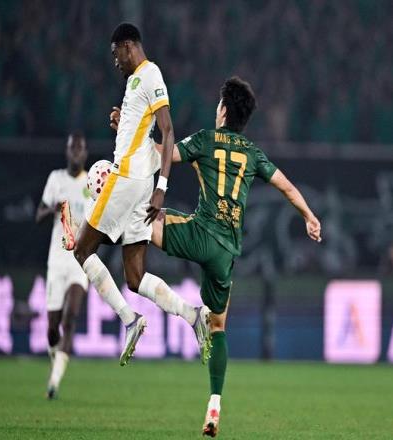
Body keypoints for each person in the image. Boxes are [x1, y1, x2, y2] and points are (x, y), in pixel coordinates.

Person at [110, 76, 322, 437]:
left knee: (139, 216)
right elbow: (286, 186)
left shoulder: (206, 140)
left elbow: (162, 153)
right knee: (219, 327)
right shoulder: (252, 153)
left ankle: (97, 240)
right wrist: (309, 217)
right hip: (226, 252)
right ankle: (214, 403)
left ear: (223, 109)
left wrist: (127, 133)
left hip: (198, 235)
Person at [69, 23, 211, 367]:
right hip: (139, 183)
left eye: (115, 53)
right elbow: (144, 132)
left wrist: (163, 188)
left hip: (128, 179)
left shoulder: (150, 74)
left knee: (82, 249)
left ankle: (130, 320)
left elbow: (168, 130)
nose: (115, 61)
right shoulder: (135, 82)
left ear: (128, 46)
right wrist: (124, 123)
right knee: (134, 278)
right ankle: (193, 315)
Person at [36, 132, 91, 399]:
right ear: (67, 151)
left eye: (80, 148)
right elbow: (38, 215)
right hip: (56, 261)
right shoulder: (55, 179)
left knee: (71, 317)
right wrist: (53, 209)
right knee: (52, 327)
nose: (76, 152)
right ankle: (54, 360)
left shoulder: (93, 182)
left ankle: (55, 382)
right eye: (73, 148)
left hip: (80, 261)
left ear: (85, 152)